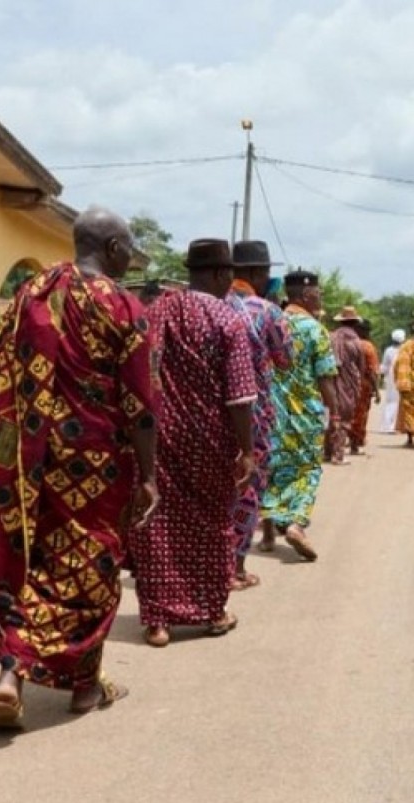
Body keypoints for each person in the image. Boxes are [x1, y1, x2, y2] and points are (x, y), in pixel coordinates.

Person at [0, 206, 156, 725]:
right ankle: (80, 686)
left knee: (32, 563)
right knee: (91, 569)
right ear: (114, 249)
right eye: (127, 248)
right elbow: (140, 403)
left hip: (31, 461)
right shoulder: (125, 307)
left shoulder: (32, 293)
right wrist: (151, 475)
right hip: (99, 468)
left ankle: (16, 675)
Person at [130, 239, 258, 647]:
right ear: (222, 275)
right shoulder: (228, 320)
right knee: (212, 524)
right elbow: (239, 397)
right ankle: (211, 611)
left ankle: (157, 621)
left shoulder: (157, 311)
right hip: (210, 439)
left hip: (158, 435)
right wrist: (247, 449)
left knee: (158, 521)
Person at [222, 240, 291, 591]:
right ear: (255, 273)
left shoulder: (209, 304)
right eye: (265, 272)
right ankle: (235, 567)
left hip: (209, 412)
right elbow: (285, 360)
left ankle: (204, 563)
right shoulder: (267, 311)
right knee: (247, 487)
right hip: (253, 414)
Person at [260, 269, 337, 560]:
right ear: (306, 295)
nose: (320, 297)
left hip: (269, 410)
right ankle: (294, 524)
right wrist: (336, 416)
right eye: (318, 293)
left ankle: (267, 532)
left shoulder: (270, 321)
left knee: (270, 466)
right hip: (304, 415)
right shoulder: (315, 329)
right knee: (307, 471)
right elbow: (326, 377)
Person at [326, 306, 374, 465]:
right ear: (354, 323)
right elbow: (360, 367)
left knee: (330, 415)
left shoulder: (330, 337)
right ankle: (338, 455)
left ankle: (327, 452)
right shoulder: (356, 342)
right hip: (347, 384)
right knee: (345, 418)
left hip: (328, 381)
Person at [351, 319, 381, 455]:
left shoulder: (350, 343)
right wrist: (377, 390)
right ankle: (355, 443)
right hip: (363, 386)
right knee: (361, 415)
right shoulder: (368, 347)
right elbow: (372, 371)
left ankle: (349, 439)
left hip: (348, 385)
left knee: (349, 413)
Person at [379, 329, 406, 433]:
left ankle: (388, 425)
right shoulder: (404, 350)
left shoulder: (388, 350)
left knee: (391, 401)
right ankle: (390, 426)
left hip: (390, 377)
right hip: (399, 376)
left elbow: (384, 366)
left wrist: (381, 377)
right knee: (395, 401)